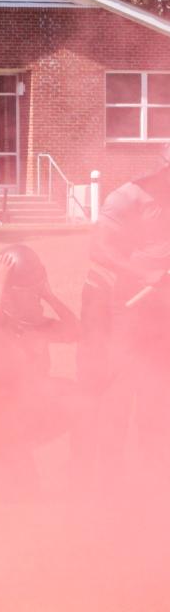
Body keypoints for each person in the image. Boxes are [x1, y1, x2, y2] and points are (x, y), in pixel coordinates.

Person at [78, 149, 170, 483]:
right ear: (162, 169)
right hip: (123, 306)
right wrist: (145, 275)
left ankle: (154, 468)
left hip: (161, 310)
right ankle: (107, 472)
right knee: (121, 385)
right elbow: (100, 250)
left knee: (158, 387)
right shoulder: (126, 198)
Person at [0, 244, 78, 490]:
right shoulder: (2, 325)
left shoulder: (38, 323)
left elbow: (76, 331)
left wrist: (50, 296)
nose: (34, 296)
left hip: (32, 410)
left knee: (83, 399)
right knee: (19, 489)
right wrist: (2, 285)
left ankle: (78, 466)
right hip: (4, 422)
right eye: (29, 291)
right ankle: (1, 459)